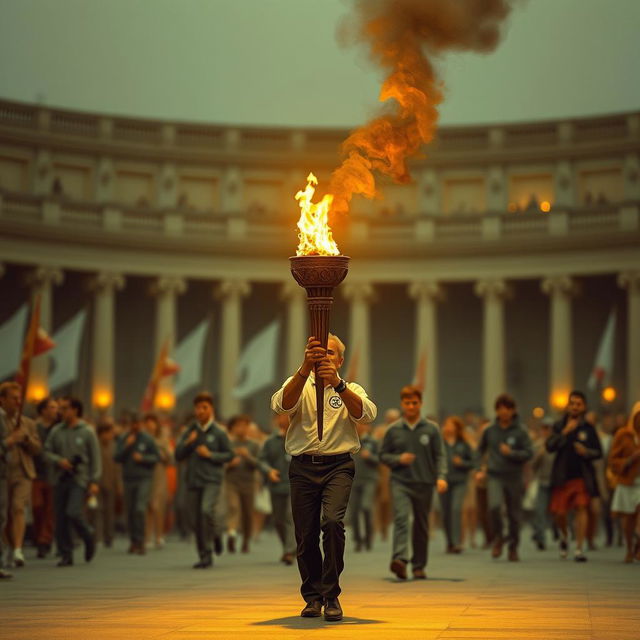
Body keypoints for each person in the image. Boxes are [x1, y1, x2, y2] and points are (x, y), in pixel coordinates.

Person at [271, 334, 377, 622]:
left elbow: (366, 414)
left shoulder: (350, 387)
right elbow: (280, 405)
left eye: (330, 353)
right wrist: (304, 368)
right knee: (305, 534)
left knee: (331, 522)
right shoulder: (299, 383)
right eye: (319, 352)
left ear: (340, 360)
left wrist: (338, 385)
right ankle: (312, 597)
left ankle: (331, 594)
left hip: (338, 466)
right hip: (303, 467)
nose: (325, 357)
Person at [380, 385, 447, 580]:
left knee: (421, 524)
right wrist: (398, 459)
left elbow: (440, 456)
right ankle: (400, 559)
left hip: (424, 482)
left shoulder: (431, 429)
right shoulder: (393, 430)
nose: (411, 406)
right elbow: (383, 455)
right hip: (401, 481)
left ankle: (419, 565)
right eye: (407, 403)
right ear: (402, 404)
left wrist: (441, 476)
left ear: (420, 404)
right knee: (401, 518)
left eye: (414, 403)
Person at [175, 392, 233, 569]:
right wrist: (187, 443)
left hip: (211, 480)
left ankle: (215, 534)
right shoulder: (190, 431)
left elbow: (229, 454)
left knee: (206, 510)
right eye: (197, 408)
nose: (200, 411)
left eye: (204, 408)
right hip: (193, 480)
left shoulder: (219, 432)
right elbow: (177, 455)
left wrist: (211, 455)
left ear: (211, 409)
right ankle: (204, 555)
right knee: (195, 519)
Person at [546, 390, 602, 562]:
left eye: (579, 404)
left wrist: (586, 452)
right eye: (572, 403)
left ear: (584, 407)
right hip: (562, 476)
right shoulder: (558, 425)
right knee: (560, 514)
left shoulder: (588, 428)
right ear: (567, 406)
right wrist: (564, 432)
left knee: (581, 508)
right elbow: (549, 446)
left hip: (581, 476)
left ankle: (579, 548)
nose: (575, 407)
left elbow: (598, 452)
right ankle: (564, 536)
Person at [44, 396, 101, 567]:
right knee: (60, 517)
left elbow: (95, 458)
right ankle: (66, 553)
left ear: (75, 410)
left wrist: (95, 480)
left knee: (73, 512)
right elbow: (45, 452)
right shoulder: (57, 431)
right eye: (60, 408)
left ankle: (88, 535)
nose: (61, 411)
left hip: (79, 479)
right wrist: (58, 460)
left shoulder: (87, 431)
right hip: (60, 478)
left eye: (65, 408)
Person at [476, 394, 532, 562]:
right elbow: (479, 451)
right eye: (500, 409)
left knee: (514, 514)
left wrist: (512, 453)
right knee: (493, 507)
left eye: (507, 409)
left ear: (513, 410)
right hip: (494, 475)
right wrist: (480, 469)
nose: (503, 412)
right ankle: (498, 538)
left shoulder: (520, 431)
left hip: (514, 476)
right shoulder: (490, 430)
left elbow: (529, 453)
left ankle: (513, 545)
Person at [0, 382, 41, 568]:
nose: (17, 402)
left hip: (22, 472)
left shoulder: (27, 423)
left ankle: (17, 549)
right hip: (3, 472)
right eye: (13, 398)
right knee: (4, 513)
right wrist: (10, 440)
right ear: (3, 399)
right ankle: (6, 547)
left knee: (18, 507)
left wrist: (26, 438)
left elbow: (37, 449)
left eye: (19, 398)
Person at [114, 414, 160, 555]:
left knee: (140, 508)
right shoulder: (123, 438)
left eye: (138, 423)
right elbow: (116, 457)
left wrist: (143, 458)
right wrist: (127, 446)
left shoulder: (147, 439)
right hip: (128, 478)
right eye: (133, 423)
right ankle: (133, 541)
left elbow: (156, 457)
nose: (136, 426)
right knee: (130, 511)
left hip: (144, 478)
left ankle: (141, 541)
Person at [258, 413, 295, 565]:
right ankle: (287, 547)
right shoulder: (270, 441)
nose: (284, 419)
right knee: (279, 520)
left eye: (287, 415)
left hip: (295, 485)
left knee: (291, 517)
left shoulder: (300, 437)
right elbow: (261, 460)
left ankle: (290, 550)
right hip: (277, 486)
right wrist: (268, 471)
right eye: (281, 416)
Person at [608, 401, 640, 563]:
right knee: (628, 518)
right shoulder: (623, 435)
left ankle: (639, 542)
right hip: (628, 481)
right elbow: (613, 460)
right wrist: (629, 460)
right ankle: (629, 548)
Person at [225, 414, 259, 554]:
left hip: (249, 483)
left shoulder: (254, 445)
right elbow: (221, 463)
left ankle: (246, 540)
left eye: (245, 425)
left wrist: (247, 456)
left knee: (247, 514)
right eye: (238, 426)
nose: (242, 428)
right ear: (232, 428)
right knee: (233, 507)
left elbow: (259, 464)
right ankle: (232, 533)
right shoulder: (228, 444)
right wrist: (229, 464)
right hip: (231, 482)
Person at [440, 415, 474, 554]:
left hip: (460, 481)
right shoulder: (440, 443)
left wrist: (462, 463)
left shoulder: (463, 444)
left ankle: (456, 542)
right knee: (445, 512)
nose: (448, 427)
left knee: (455, 509)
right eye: (446, 424)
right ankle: (449, 542)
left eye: (451, 424)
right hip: (443, 482)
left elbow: (472, 462)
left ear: (457, 428)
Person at [32, 396, 58, 558]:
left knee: (50, 510)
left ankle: (45, 540)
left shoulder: (59, 428)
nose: (56, 411)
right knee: (37, 507)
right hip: (36, 473)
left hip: (53, 473)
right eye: (52, 407)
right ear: (43, 410)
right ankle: (38, 536)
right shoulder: (34, 427)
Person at [348, 421, 379, 552]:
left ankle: (368, 537)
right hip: (353, 480)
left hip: (369, 480)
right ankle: (358, 540)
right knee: (353, 511)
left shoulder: (373, 442)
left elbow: (380, 460)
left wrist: (370, 456)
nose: (361, 426)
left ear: (368, 426)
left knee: (366, 507)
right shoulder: (350, 441)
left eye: (363, 424)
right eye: (358, 424)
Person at [144, 414, 173, 550]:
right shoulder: (142, 438)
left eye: (152, 422)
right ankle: (147, 536)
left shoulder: (163, 439)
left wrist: (163, 454)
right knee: (148, 506)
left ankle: (159, 536)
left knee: (158, 506)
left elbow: (171, 457)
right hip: (145, 473)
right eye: (147, 422)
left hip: (159, 473)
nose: (150, 425)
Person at [372, 408, 400, 542]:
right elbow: (374, 446)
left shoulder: (401, 430)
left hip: (396, 469)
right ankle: (378, 526)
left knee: (390, 501)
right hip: (381, 469)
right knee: (381, 500)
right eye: (390, 418)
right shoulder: (380, 430)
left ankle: (387, 527)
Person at [95, 420, 121, 548]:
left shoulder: (115, 446)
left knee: (109, 511)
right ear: (101, 434)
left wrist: (119, 484)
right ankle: (97, 537)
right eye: (108, 433)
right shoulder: (95, 445)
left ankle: (109, 537)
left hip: (111, 482)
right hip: (97, 482)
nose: (111, 436)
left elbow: (118, 467)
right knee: (97, 510)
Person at [530, 418, 555, 550]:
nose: (547, 431)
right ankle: (541, 537)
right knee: (539, 510)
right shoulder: (538, 445)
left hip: (557, 483)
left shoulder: (558, 444)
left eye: (549, 428)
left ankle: (561, 534)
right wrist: (539, 454)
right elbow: (532, 465)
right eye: (544, 428)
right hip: (542, 481)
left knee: (557, 512)